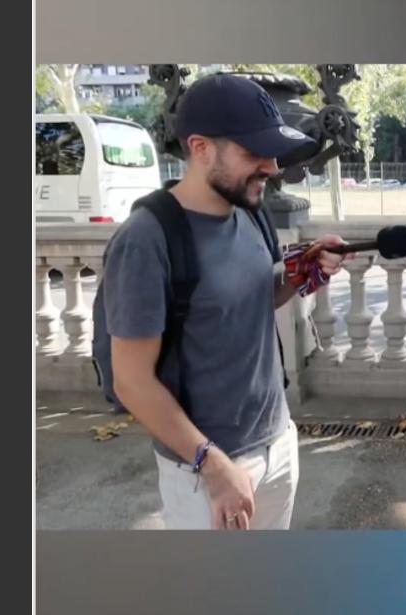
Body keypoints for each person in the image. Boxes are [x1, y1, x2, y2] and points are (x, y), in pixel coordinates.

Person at [104, 74, 349, 530]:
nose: (273, 167)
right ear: (200, 148)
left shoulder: (251, 211)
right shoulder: (145, 240)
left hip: (278, 443)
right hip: (204, 472)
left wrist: (303, 270)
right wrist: (213, 466)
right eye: (253, 152)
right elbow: (132, 382)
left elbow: (256, 292)